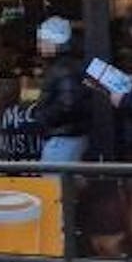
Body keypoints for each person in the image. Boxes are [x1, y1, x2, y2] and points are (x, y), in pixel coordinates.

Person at [34, 16, 91, 163]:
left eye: (43, 41)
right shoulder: (67, 65)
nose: (39, 46)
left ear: (55, 42)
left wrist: (42, 117)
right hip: (69, 136)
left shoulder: (62, 68)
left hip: (62, 138)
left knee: (53, 184)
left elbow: (68, 104)